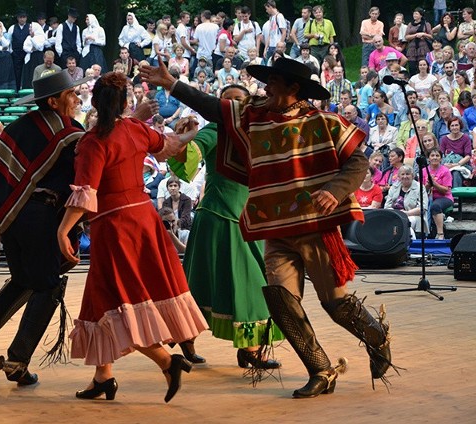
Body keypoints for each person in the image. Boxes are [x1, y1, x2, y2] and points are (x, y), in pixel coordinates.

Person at [141, 56, 395, 398]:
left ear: (293, 88)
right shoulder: (256, 116)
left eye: (273, 82)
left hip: (314, 226)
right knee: (281, 302)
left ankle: (376, 336)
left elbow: (358, 160)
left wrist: (334, 192)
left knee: (334, 302)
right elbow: (215, 108)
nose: (265, 87)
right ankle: (320, 369)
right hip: (273, 228)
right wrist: (172, 84)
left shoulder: (323, 122)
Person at [56, 71, 205, 403]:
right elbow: (168, 148)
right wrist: (194, 132)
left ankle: (168, 361)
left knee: (123, 301)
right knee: (101, 298)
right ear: (123, 103)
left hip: (115, 227)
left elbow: (85, 194)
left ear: (94, 103)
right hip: (143, 219)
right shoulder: (135, 129)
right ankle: (103, 376)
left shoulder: (92, 142)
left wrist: (63, 229)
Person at [0, 70, 90, 386]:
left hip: (10, 220)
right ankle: (17, 361)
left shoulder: (20, 126)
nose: (77, 98)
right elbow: (80, 181)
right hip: (41, 220)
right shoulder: (70, 132)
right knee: (47, 286)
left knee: (24, 280)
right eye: (72, 95)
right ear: (55, 101)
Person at [166, 83, 283, 368]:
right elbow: (189, 155)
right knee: (248, 288)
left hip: (252, 220)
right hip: (221, 217)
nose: (232, 105)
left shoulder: (260, 132)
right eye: (226, 101)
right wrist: (182, 141)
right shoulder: (216, 130)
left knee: (206, 286)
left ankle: (190, 337)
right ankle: (249, 348)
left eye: (238, 100)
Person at [384, 165, 428, 234]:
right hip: (395, 215)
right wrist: (396, 214)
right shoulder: (394, 187)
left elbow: (423, 208)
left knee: (405, 223)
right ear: (399, 176)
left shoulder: (420, 188)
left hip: (413, 216)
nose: (405, 176)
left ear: (412, 176)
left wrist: (406, 213)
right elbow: (387, 206)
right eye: (402, 174)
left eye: (407, 174)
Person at [422, 147, 454, 239]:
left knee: (435, 206)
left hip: (444, 197)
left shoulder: (445, 171)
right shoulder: (424, 171)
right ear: (428, 158)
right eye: (432, 155)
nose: (435, 158)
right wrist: (428, 185)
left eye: (437, 155)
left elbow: (445, 190)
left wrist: (434, 184)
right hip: (427, 197)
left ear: (441, 158)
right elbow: (421, 189)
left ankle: (440, 234)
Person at [8, 10, 30, 90]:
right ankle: (17, 89)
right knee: (17, 72)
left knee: (27, 71)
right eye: (20, 17)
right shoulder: (12, 28)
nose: (22, 19)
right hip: (16, 53)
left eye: (23, 17)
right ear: (17, 18)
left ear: (26, 18)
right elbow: (8, 41)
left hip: (27, 53)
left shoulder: (30, 26)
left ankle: (26, 89)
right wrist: (11, 51)